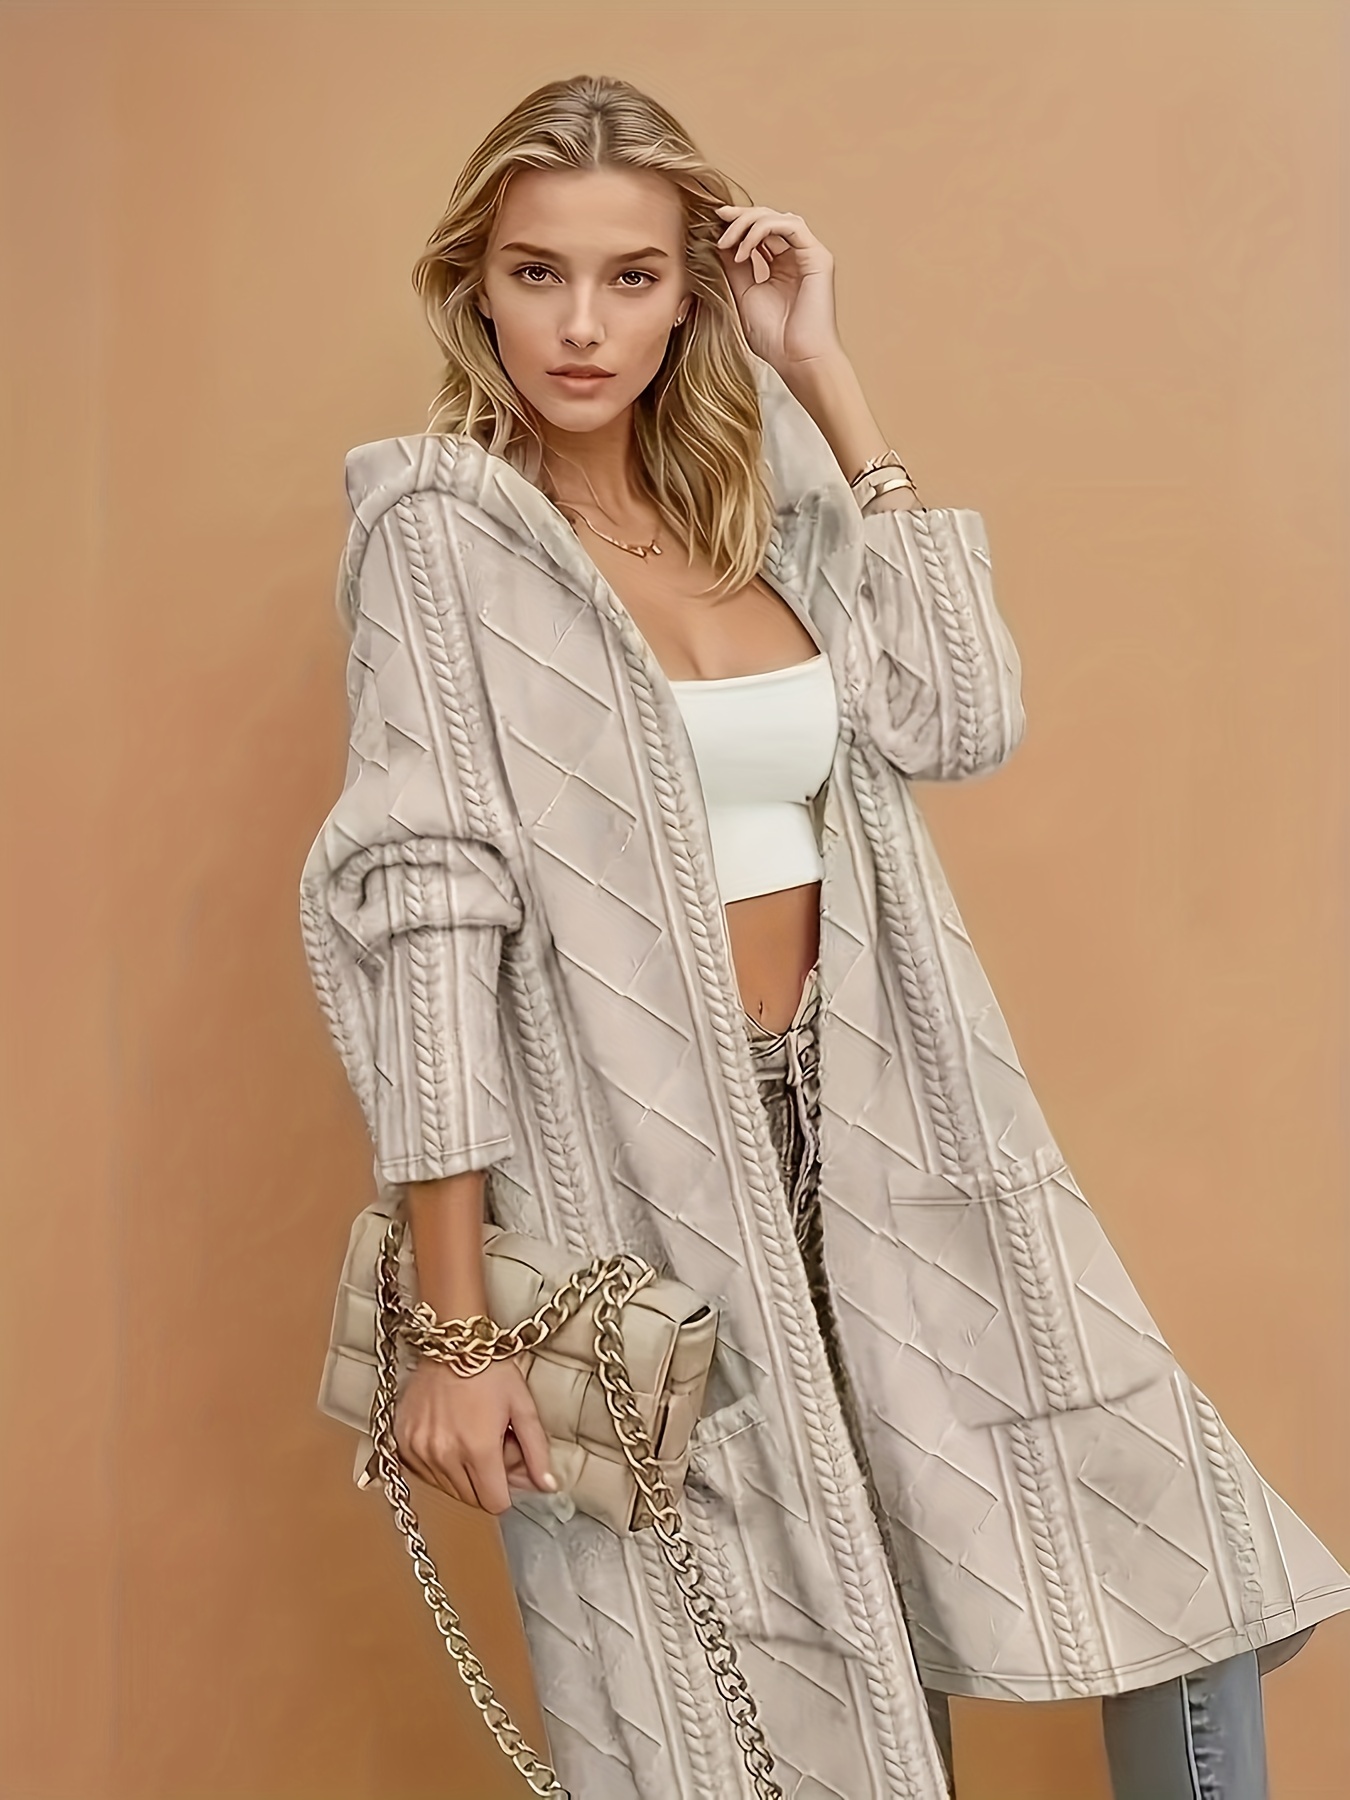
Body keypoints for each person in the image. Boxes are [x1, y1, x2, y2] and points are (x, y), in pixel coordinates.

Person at [300, 73, 1350, 1800]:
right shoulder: (440, 534)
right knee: (793, 1693)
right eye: (538, 273)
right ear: (473, 286)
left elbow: (958, 714)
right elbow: (428, 912)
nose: (581, 325)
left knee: (1173, 1580)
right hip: (639, 1185)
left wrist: (827, 380)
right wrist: (460, 1326)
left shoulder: (759, 496)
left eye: (632, 276)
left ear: (690, 293)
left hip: (892, 1138)